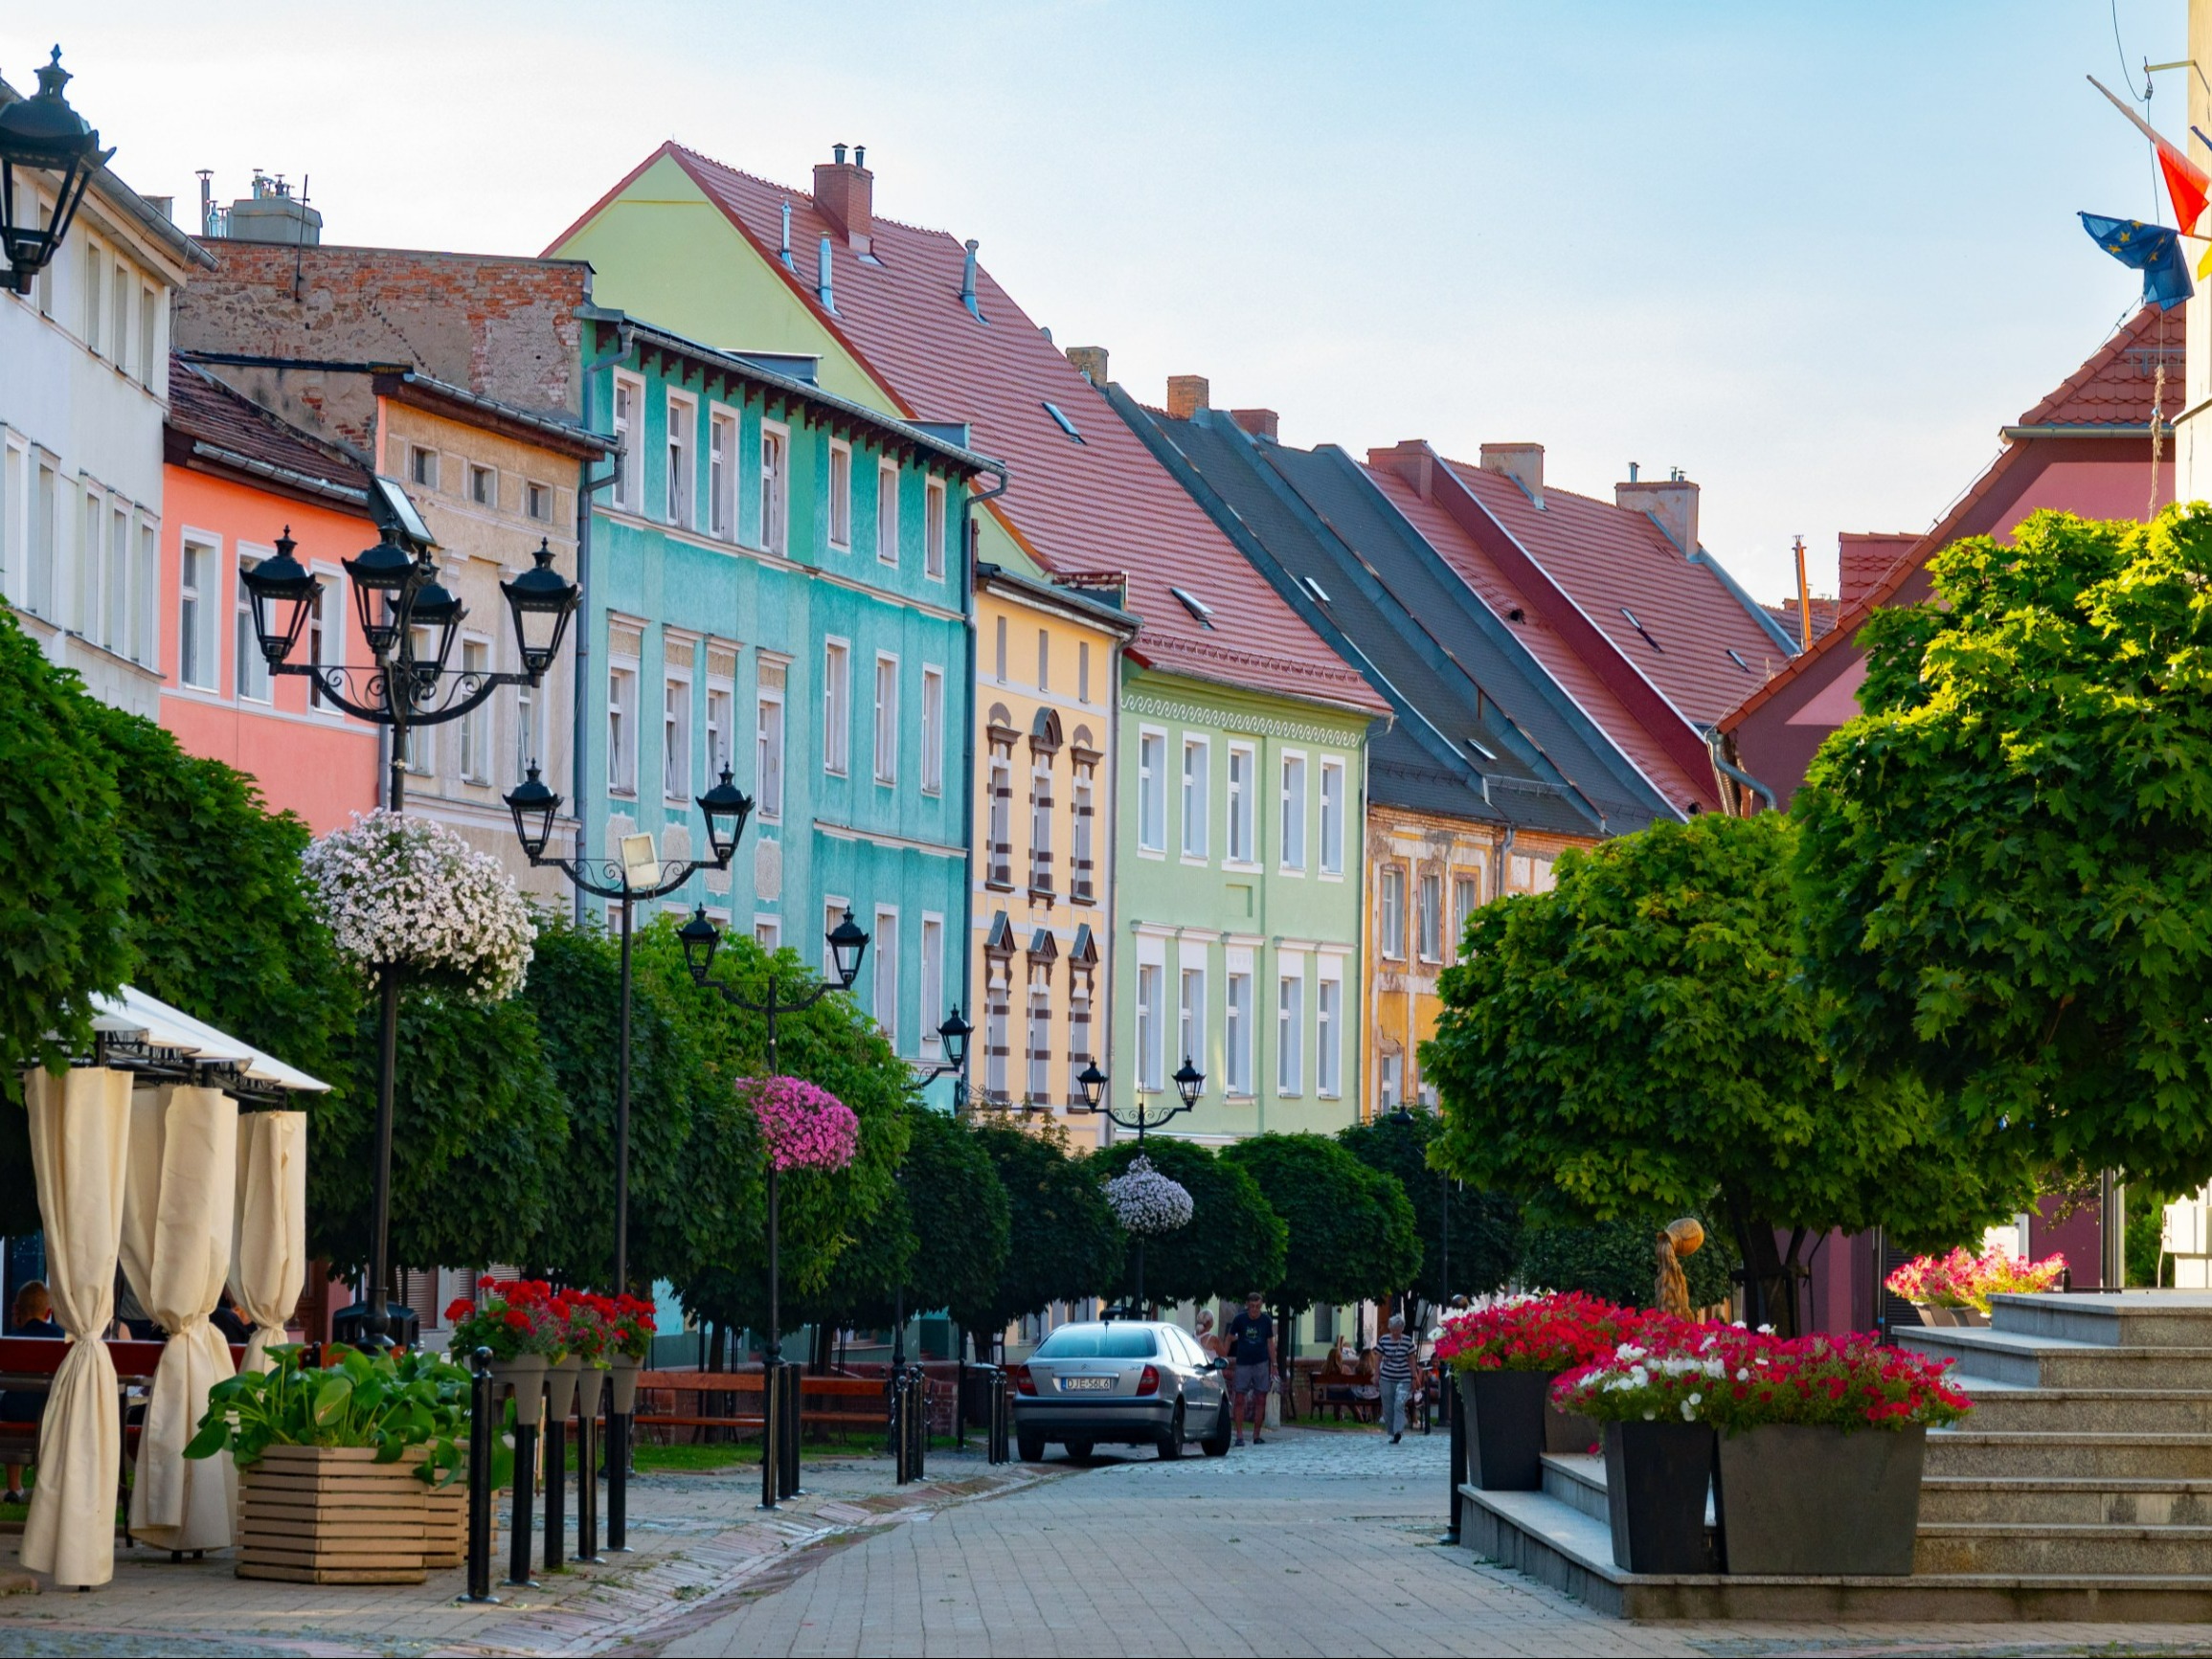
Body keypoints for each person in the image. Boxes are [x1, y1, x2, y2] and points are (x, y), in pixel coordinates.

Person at [2, 1282, 63, 1505]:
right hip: (51, 1419)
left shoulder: (9, 1341)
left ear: (17, 1310)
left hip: (12, 1422)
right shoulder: (61, 1339)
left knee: (11, 1401)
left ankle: (14, 1487)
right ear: (49, 1312)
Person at [1224, 1291, 1275, 1447]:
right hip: (1243, 1363)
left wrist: (1275, 1364)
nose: (1254, 1310)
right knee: (1239, 1398)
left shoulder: (1266, 1320)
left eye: (1257, 1307)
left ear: (1261, 1306)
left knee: (1261, 1398)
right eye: (1252, 1306)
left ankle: (1256, 1435)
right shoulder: (1240, 1319)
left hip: (1261, 1363)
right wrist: (1223, 1358)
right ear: (1247, 1305)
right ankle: (1239, 1436)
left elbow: (1270, 1343)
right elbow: (1229, 1337)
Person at [1376, 1312, 1418, 1444]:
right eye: (1393, 1329)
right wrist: (1376, 1374)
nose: (1395, 1332)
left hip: (1403, 1378)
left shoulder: (1407, 1341)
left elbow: (1411, 1359)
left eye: (1398, 1329)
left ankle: (1398, 1431)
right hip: (1387, 1377)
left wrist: (1413, 1377)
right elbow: (1378, 1358)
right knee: (1388, 1406)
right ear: (1390, 1328)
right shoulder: (1383, 1340)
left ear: (1402, 1329)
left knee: (1399, 1404)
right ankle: (1392, 1431)